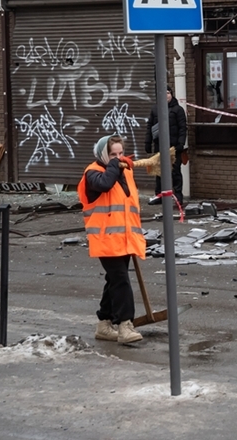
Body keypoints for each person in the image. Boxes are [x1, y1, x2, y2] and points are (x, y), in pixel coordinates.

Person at [78, 135, 146, 344]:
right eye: (112, 155)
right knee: (121, 281)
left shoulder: (125, 173)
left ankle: (104, 324)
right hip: (105, 239)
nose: (117, 158)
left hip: (124, 238)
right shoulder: (93, 174)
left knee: (114, 280)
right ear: (102, 155)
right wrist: (116, 166)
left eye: (120, 153)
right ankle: (125, 325)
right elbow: (105, 184)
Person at [145, 85, 188, 206]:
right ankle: (159, 195)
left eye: (168, 93)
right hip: (159, 146)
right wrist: (147, 142)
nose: (166, 95)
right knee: (159, 172)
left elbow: (182, 128)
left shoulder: (178, 110)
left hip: (174, 147)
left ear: (171, 94)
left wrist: (180, 143)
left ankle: (178, 197)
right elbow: (150, 127)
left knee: (175, 172)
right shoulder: (155, 110)